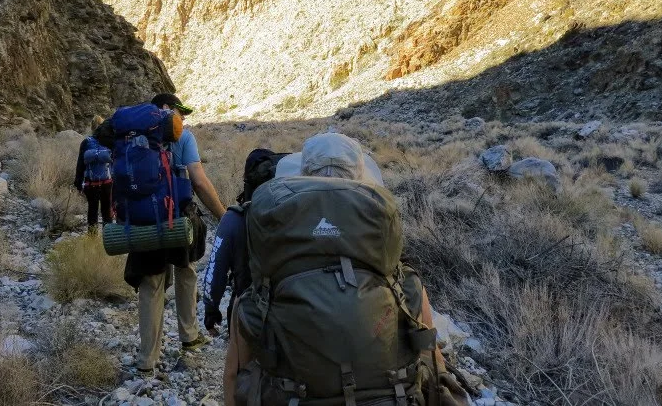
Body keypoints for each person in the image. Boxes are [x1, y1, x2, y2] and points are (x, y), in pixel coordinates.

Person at [223, 133, 470, 406]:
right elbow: (432, 362)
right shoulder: (402, 281)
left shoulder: (268, 279)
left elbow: (234, 376)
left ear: (301, 176)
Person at [126, 93, 228, 374]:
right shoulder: (184, 138)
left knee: (151, 284)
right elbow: (198, 180)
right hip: (178, 218)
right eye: (180, 112)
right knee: (186, 271)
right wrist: (223, 215)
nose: (182, 119)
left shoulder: (132, 137)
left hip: (143, 218)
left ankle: (147, 361)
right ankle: (189, 336)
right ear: (168, 109)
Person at [202, 150, 288, 337]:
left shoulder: (235, 218)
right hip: (292, 317)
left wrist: (211, 311)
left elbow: (215, 271)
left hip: (247, 317)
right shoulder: (297, 216)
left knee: (241, 365)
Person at [73, 115, 114, 232]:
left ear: (91, 127)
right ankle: (109, 237)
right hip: (107, 182)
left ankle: (92, 237)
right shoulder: (109, 141)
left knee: (92, 211)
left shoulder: (86, 142)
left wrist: (78, 183)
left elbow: (80, 164)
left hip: (91, 184)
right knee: (107, 211)